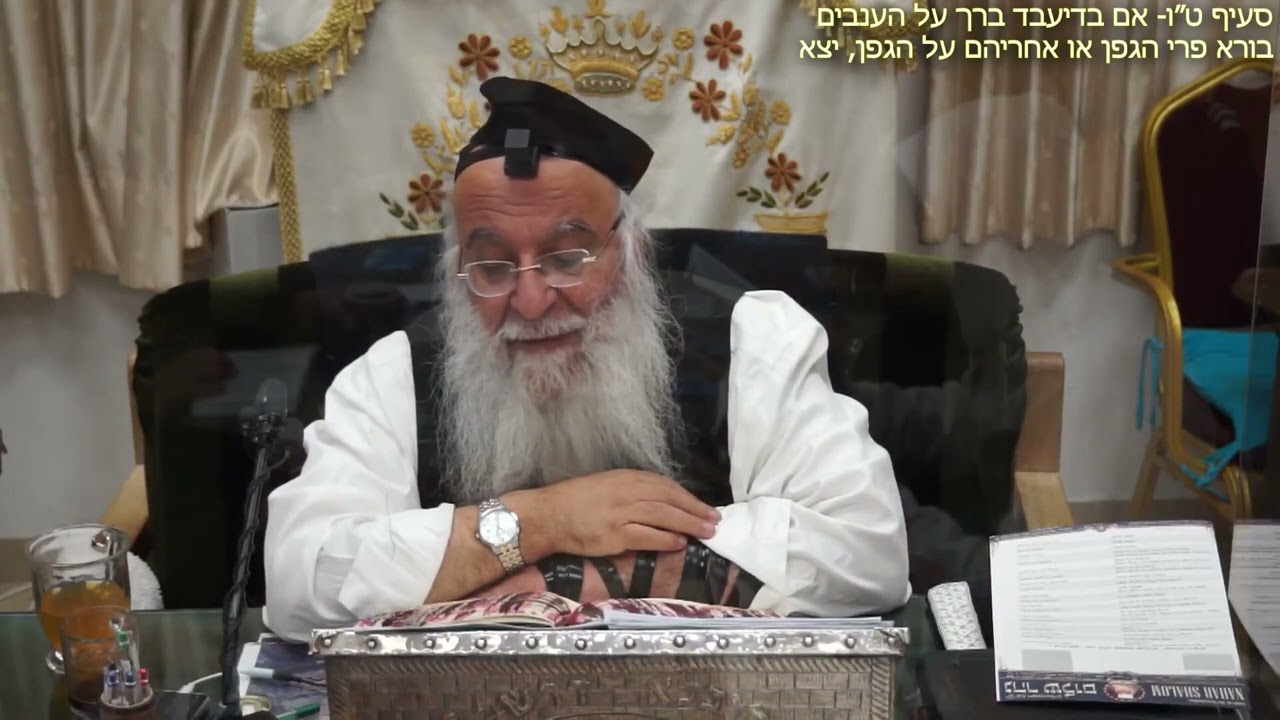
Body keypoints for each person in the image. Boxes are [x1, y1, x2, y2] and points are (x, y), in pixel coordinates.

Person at [262, 77, 910, 641]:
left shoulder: (752, 340)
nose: (531, 300)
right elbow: (298, 582)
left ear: (630, 252)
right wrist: (543, 521)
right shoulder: (394, 374)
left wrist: (550, 582)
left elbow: (868, 552)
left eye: (567, 257)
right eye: (492, 266)